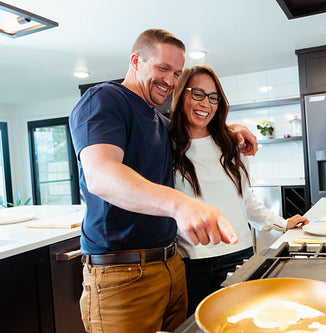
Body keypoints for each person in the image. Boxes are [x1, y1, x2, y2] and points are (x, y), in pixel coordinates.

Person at [69, 29, 257, 333]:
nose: (170, 80)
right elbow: (101, 175)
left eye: (177, 73)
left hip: (171, 266)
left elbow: (197, 128)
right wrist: (181, 204)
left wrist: (232, 128)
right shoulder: (106, 99)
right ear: (135, 61)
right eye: (162, 69)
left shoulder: (159, 122)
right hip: (122, 274)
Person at [169, 65, 309, 315]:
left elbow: (246, 201)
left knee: (243, 323)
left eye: (213, 97)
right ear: (181, 95)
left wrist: (282, 224)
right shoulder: (166, 147)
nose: (206, 103)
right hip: (191, 263)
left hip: (238, 255)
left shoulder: (231, 145)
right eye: (198, 93)